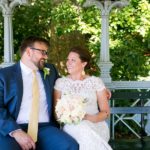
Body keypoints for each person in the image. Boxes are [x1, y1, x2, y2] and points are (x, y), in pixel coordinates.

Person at [0, 36, 79, 150]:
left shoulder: (50, 70)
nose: (46, 56)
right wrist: (16, 132)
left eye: (46, 53)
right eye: (43, 52)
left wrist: (97, 89)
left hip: (45, 127)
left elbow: (67, 84)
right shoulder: (4, 75)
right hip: (13, 127)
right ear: (28, 51)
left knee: (69, 146)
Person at [54, 46, 112, 150]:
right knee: (81, 128)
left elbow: (105, 112)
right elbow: (56, 113)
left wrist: (88, 118)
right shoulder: (60, 83)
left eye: (73, 60)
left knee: (85, 128)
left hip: (96, 124)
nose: (68, 63)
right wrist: (70, 116)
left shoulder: (95, 82)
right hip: (71, 125)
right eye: (68, 60)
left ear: (83, 64)